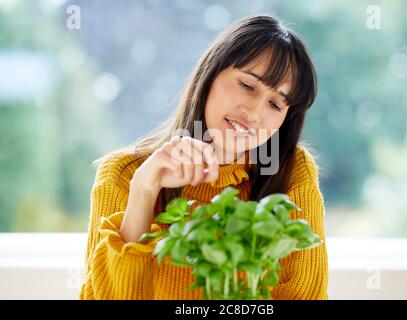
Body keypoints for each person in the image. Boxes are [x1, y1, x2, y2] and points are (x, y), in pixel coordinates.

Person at [79, 14, 328, 300]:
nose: (255, 113)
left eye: (275, 104)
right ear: (210, 75)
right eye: (247, 85)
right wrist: (143, 191)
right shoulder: (122, 174)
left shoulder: (293, 172)